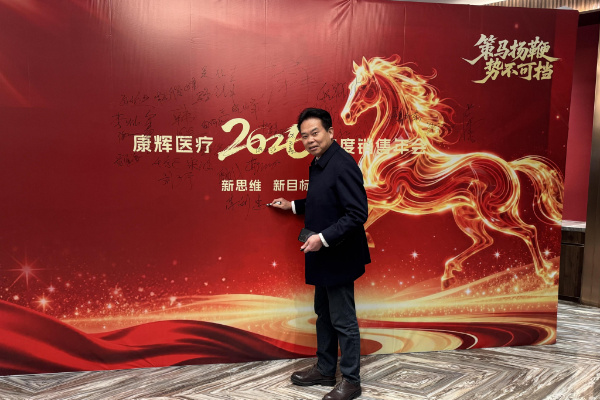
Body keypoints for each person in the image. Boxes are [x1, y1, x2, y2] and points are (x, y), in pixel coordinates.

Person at [270, 108, 370, 400]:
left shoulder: (342, 164)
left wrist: (322, 239)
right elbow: (323, 200)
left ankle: (351, 381)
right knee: (324, 315)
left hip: (338, 254)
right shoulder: (319, 162)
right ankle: (326, 370)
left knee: (343, 319)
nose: (310, 140)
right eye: (304, 136)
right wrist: (292, 206)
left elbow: (357, 213)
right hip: (323, 254)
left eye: (315, 133)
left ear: (330, 132)